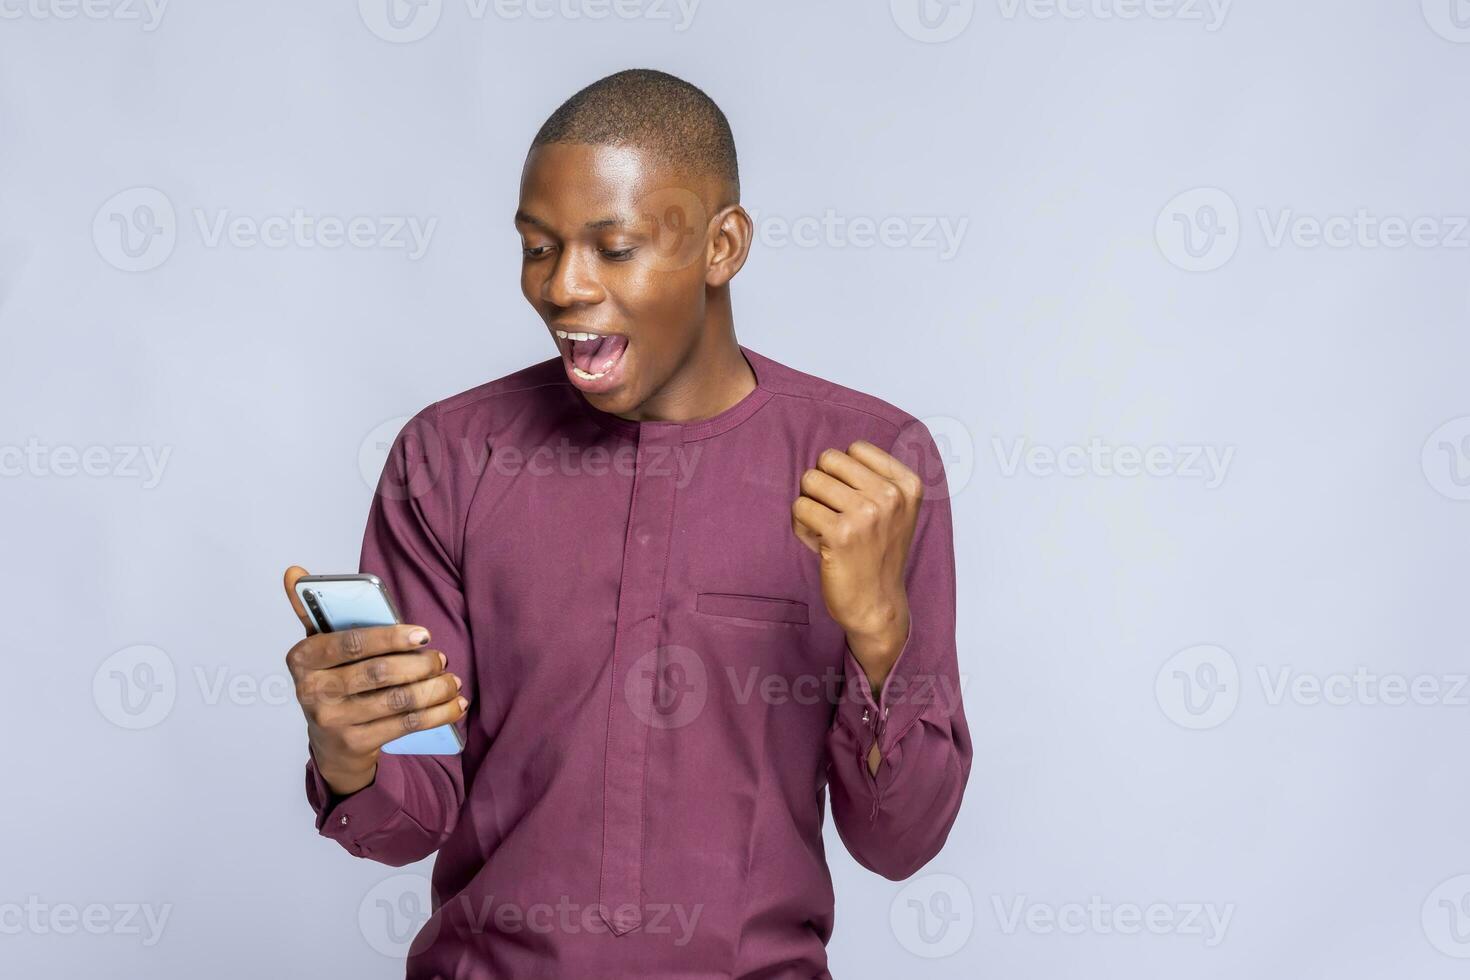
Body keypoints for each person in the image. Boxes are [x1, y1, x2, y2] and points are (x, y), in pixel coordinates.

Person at [283, 68, 972, 979]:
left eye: (613, 248)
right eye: (539, 247)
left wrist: (883, 635)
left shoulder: (871, 468)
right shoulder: (448, 457)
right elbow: (405, 823)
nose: (563, 287)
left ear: (722, 246)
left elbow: (900, 841)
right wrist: (350, 755)